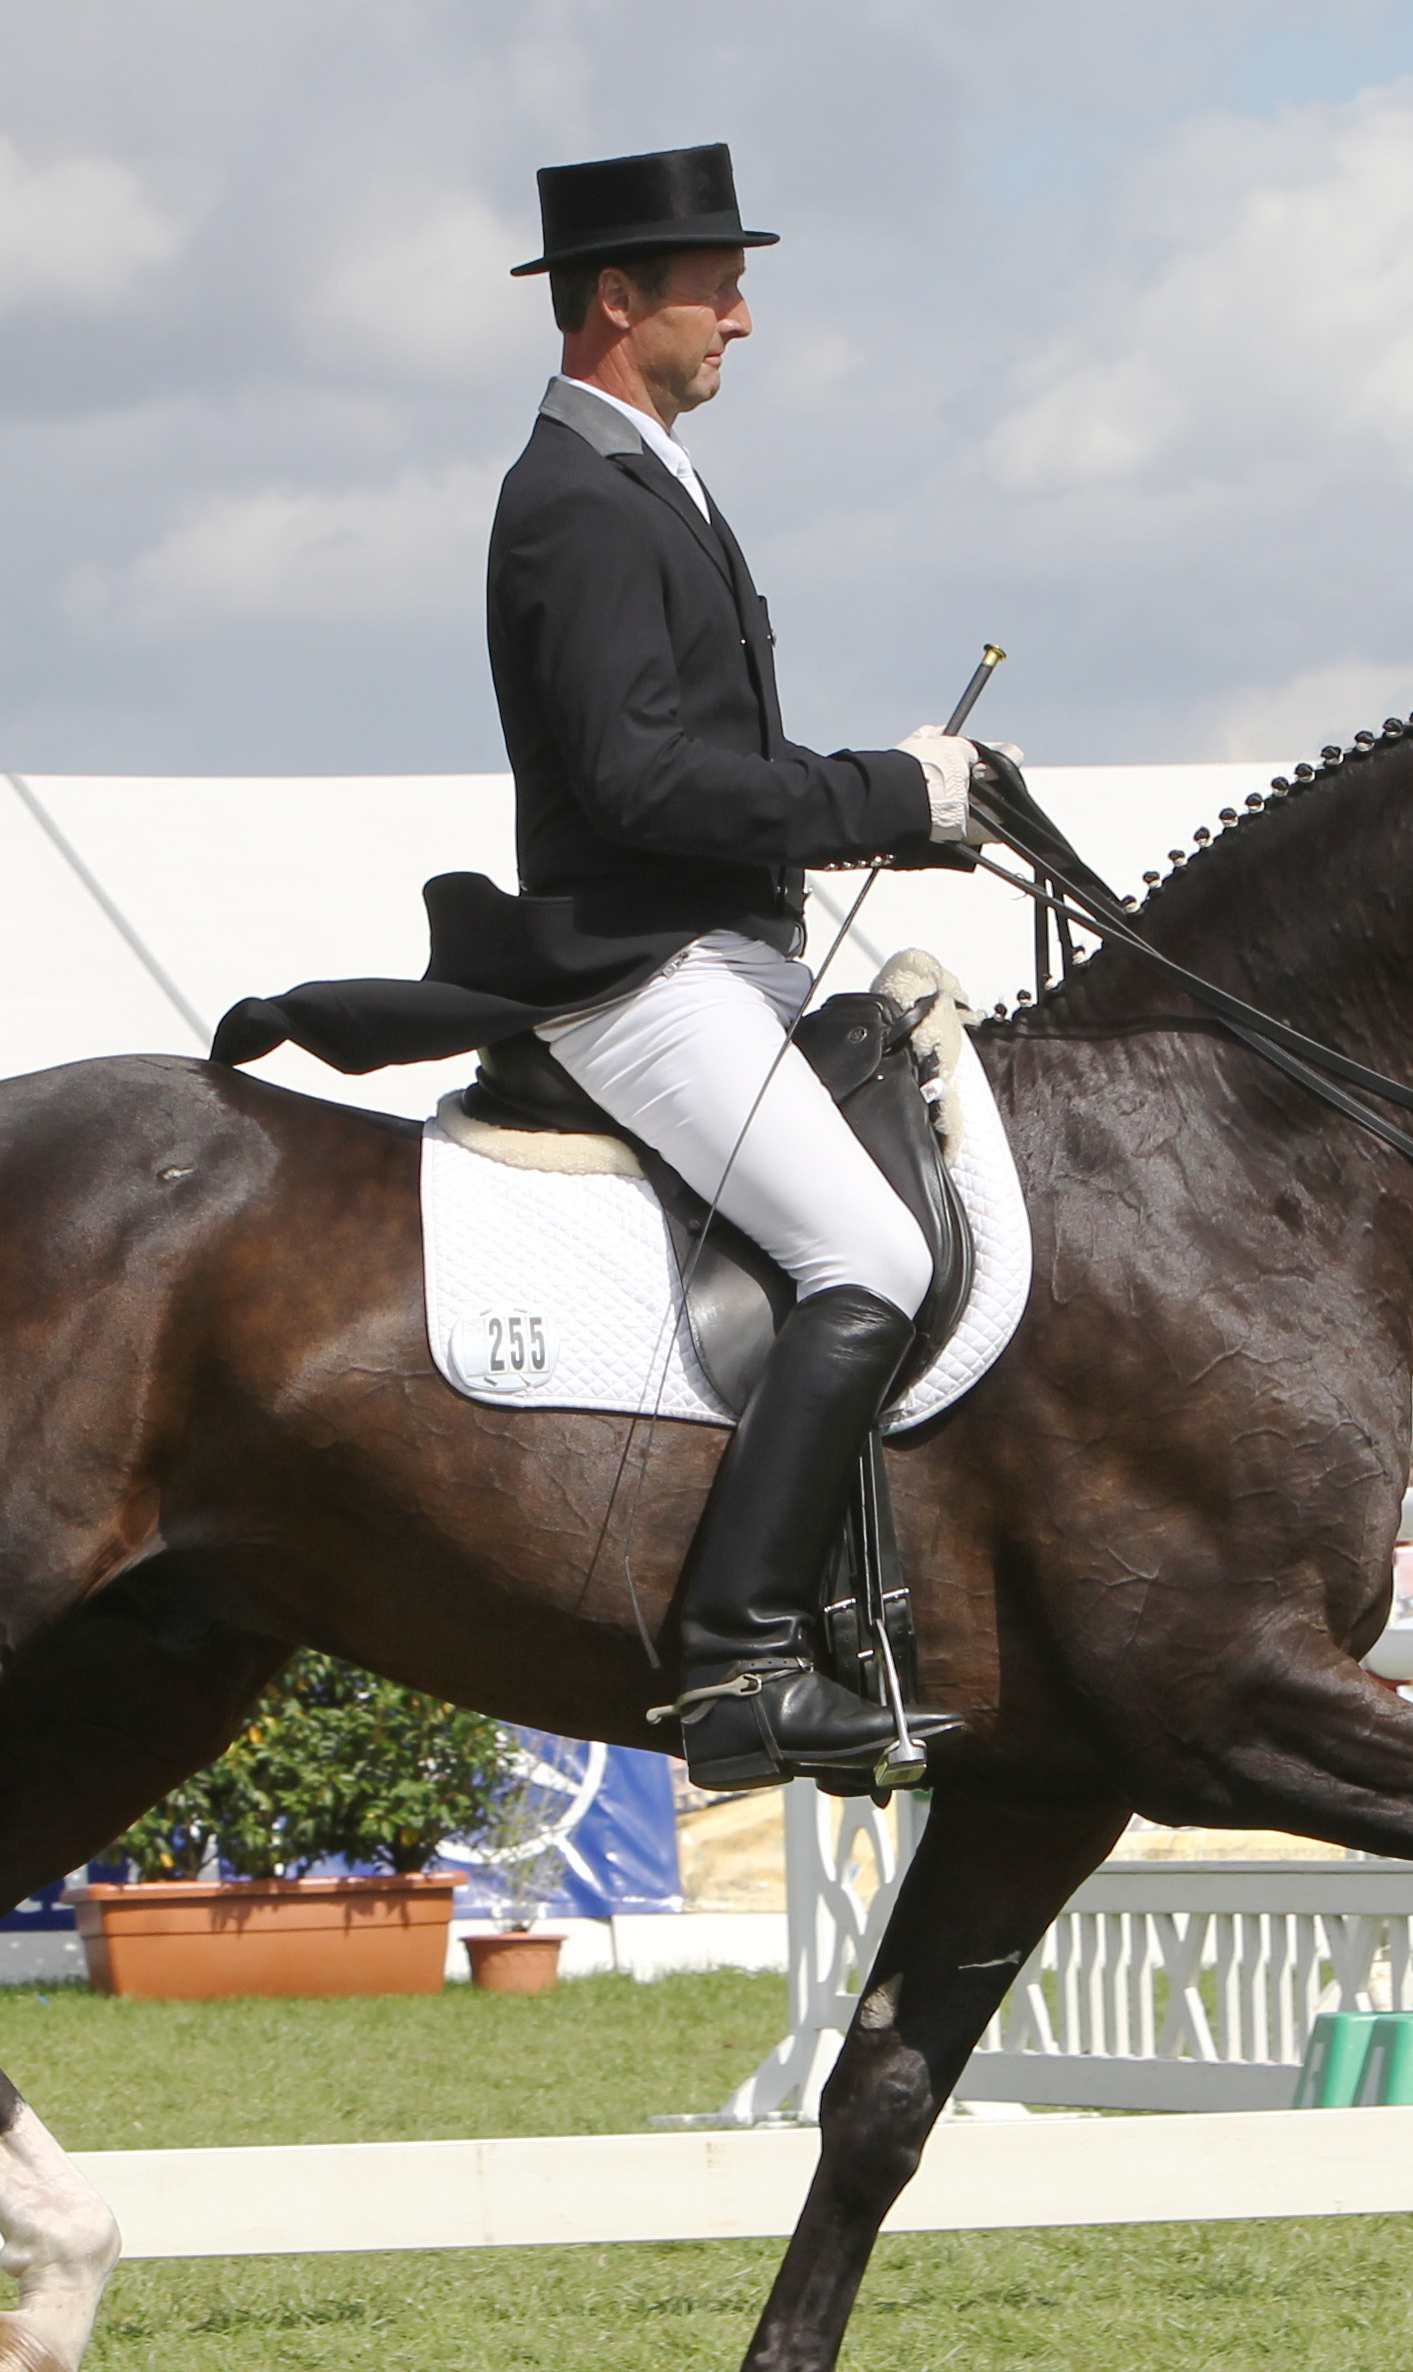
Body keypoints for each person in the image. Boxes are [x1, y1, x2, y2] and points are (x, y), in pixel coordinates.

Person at [213, 144, 988, 1790]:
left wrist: (907, 815)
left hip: (727, 955)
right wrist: (877, 792)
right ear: (619, 303)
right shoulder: (570, 497)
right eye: (718, 288)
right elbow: (640, 785)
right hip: (644, 975)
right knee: (869, 1252)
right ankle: (738, 1669)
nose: (745, 318)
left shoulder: (653, 478)